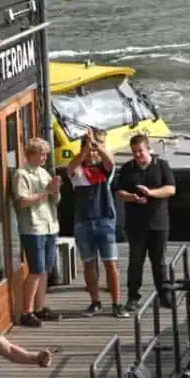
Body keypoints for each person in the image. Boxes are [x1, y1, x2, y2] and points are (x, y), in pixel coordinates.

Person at [69, 130, 129, 318]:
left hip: (105, 219)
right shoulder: (78, 171)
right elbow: (71, 167)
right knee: (89, 263)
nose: (93, 154)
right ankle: (95, 302)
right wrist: (85, 151)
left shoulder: (104, 170)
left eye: (94, 151)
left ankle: (117, 303)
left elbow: (110, 162)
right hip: (83, 221)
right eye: (90, 151)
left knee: (110, 263)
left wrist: (97, 146)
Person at [113, 133, 176, 312]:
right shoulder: (127, 168)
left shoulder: (161, 165)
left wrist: (151, 193)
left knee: (159, 261)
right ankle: (133, 297)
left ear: (148, 149)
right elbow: (119, 192)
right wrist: (133, 197)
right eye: (134, 152)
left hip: (158, 222)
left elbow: (171, 189)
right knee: (135, 261)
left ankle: (164, 294)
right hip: (136, 224)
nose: (138, 155)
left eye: (140, 151)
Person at [14, 137, 63, 327]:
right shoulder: (22, 174)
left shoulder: (43, 172)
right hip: (33, 228)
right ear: (31, 154)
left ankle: (40, 307)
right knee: (35, 270)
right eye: (42, 154)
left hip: (50, 224)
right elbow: (23, 201)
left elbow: (55, 200)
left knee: (45, 270)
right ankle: (27, 311)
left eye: (46, 154)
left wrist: (55, 190)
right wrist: (46, 191)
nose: (45, 158)